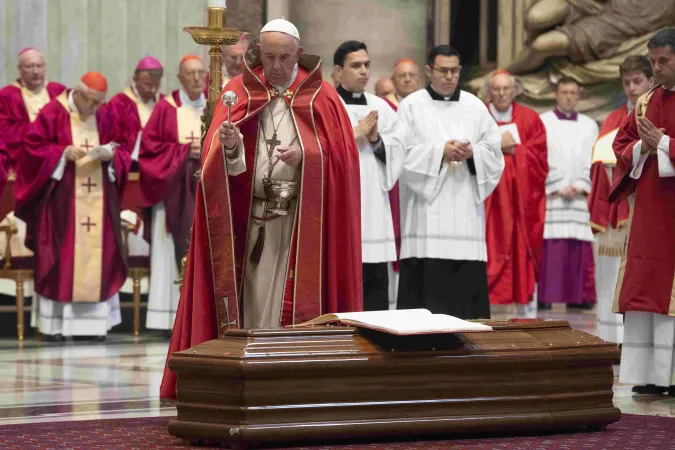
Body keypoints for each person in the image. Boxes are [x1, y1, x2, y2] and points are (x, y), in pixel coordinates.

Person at [160, 19, 362, 400]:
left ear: (298, 54)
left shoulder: (323, 96)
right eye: (268, 58)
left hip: (302, 227)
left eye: (284, 58)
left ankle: (297, 380)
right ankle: (253, 376)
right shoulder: (239, 91)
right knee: (252, 298)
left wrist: (306, 155)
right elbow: (215, 170)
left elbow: (344, 162)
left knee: (292, 299)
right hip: (254, 222)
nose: (276, 67)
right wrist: (231, 146)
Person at [15, 72, 131, 341]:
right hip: (62, 205)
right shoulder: (53, 112)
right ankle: (57, 327)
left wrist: (111, 155)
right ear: (77, 94)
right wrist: (61, 153)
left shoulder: (104, 115)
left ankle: (95, 327)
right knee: (62, 260)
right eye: (91, 102)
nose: (95, 109)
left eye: (99, 103)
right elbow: (31, 151)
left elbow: (123, 147)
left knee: (100, 257)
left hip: (100, 203)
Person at [396, 45, 504, 320]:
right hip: (426, 219)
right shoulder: (411, 106)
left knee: (466, 306)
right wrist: (439, 152)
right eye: (443, 71)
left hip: (465, 216)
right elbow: (401, 155)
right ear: (429, 71)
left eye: (455, 71)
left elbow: (494, 152)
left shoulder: (475, 106)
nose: (450, 76)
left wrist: (473, 154)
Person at [609, 28, 675, 396]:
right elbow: (622, 143)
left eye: (663, 60)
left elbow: (658, 141)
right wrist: (643, 149)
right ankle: (651, 375)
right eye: (653, 61)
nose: (657, 67)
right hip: (650, 211)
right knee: (645, 290)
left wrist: (663, 143)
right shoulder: (647, 102)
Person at [333, 41, 407, 311]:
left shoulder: (381, 107)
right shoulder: (328, 103)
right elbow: (316, 148)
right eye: (356, 65)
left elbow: (400, 149)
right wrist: (354, 134)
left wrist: (376, 139)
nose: (364, 71)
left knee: (374, 284)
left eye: (367, 65)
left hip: (375, 205)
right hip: (341, 202)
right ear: (338, 71)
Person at [138, 55, 205, 333]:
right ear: (179, 78)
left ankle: (199, 318)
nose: (198, 78)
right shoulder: (166, 108)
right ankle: (167, 319)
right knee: (169, 253)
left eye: (202, 72)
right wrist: (183, 152)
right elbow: (149, 149)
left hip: (204, 193)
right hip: (173, 196)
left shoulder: (216, 104)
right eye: (191, 73)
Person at [589, 55, 653, 344]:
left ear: (650, 81)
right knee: (612, 278)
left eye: (637, 81)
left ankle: (641, 345)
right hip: (618, 214)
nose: (631, 87)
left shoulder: (658, 113)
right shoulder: (613, 119)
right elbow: (597, 163)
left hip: (650, 210)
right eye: (626, 82)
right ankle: (611, 341)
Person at [484, 70, 548, 318]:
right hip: (489, 203)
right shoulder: (479, 116)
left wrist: (516, 151)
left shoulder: (530, 119)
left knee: (520, 254)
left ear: (514, 91)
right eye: (496, 89)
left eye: (505, 89)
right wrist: (496, 146)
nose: (501, 94)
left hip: (520, 204)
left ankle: (524, 314)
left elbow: (540, 161)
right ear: (489, 91)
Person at [538, 77, 597, 310]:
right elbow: (539, 158)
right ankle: (545, 296)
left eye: (573, 92)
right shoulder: (543, 122)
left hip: (579, 195)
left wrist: (581, 185)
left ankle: (579, 297)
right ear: (556, 94)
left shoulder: (590, 125)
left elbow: (593, 161)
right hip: (552, 194)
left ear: (578, 96)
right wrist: (555, 185)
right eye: (564, 92)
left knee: (578, 245)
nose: (569, 96)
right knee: (550, 245)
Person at [507, 0, 675, 74]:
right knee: (535, 18)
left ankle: (503, 74)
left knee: (542, 45)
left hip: (614, 25)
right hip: (594, 3)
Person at [0, 48, 65, 170]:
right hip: (24, 154)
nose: (36, 72)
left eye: (39, 66)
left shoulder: (58, 90)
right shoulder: (6, 95)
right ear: (19, 69)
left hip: (57, 154)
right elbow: (4, 131)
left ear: (44, 67)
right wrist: (37, 129)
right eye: (29, 67)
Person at [108, 56, 163, 162]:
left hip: (159, 165)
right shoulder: (119, 103)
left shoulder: (164, 102)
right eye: (147, 84)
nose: (152, 90)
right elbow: (113, 139)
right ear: (135, 79)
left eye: (157, 85)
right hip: (130, 165)